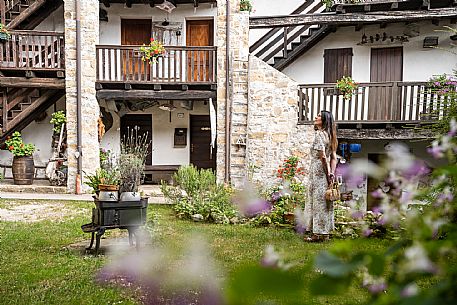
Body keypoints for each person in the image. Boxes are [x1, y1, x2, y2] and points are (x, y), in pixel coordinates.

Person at [304, 110, 338, 242]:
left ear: (324, 120)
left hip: (318, 170)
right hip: (326, 171)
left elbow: (323, 157)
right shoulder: (331, 136)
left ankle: (316, 234)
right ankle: (325, 233)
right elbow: (334, 158)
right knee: (326, 201)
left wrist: (326, 172)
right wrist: (331, 173)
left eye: (318, 116)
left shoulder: (319, 135)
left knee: (318, 201)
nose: (315, 117)